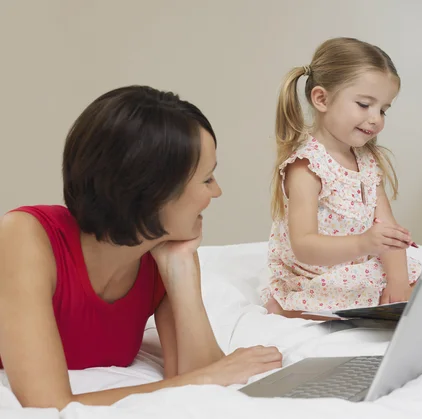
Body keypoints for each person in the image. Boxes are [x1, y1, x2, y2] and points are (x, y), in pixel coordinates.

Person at [0, 86, 282, 409]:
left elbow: (210, 377)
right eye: (207, 180)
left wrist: (182, 271)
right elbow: (47, 404)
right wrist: (203, 378)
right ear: (153, 195)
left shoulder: (160, 260)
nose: (216, 192)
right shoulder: (24, 237)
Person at [261, 37, 422, 318]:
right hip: (317, 271)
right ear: (322, 99)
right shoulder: (306, 167)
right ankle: (288, 306)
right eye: (364, 105)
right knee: (351, 301)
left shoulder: (367, 161)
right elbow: (305, 246)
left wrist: (397, 282)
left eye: (383, 109)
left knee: (420, 282)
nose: (376, 119)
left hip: (359, 261)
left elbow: (388, 229)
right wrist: (364, 243)